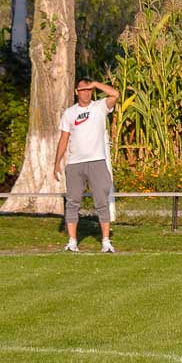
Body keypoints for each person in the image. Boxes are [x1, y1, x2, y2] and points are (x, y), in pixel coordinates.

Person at [54, 78, 120, 253]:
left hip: (97, 161)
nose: (86, 92)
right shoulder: (69, 113)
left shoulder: (99, 107)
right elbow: (64, 139)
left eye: (89, 90)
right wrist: (57, 162)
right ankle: (72, 241)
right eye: (82, 90)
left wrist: (96, 84)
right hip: (75, 163)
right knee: (73, 202)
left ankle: (106, 241)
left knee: (101, 202)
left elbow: (115, 94)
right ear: (77, 92)